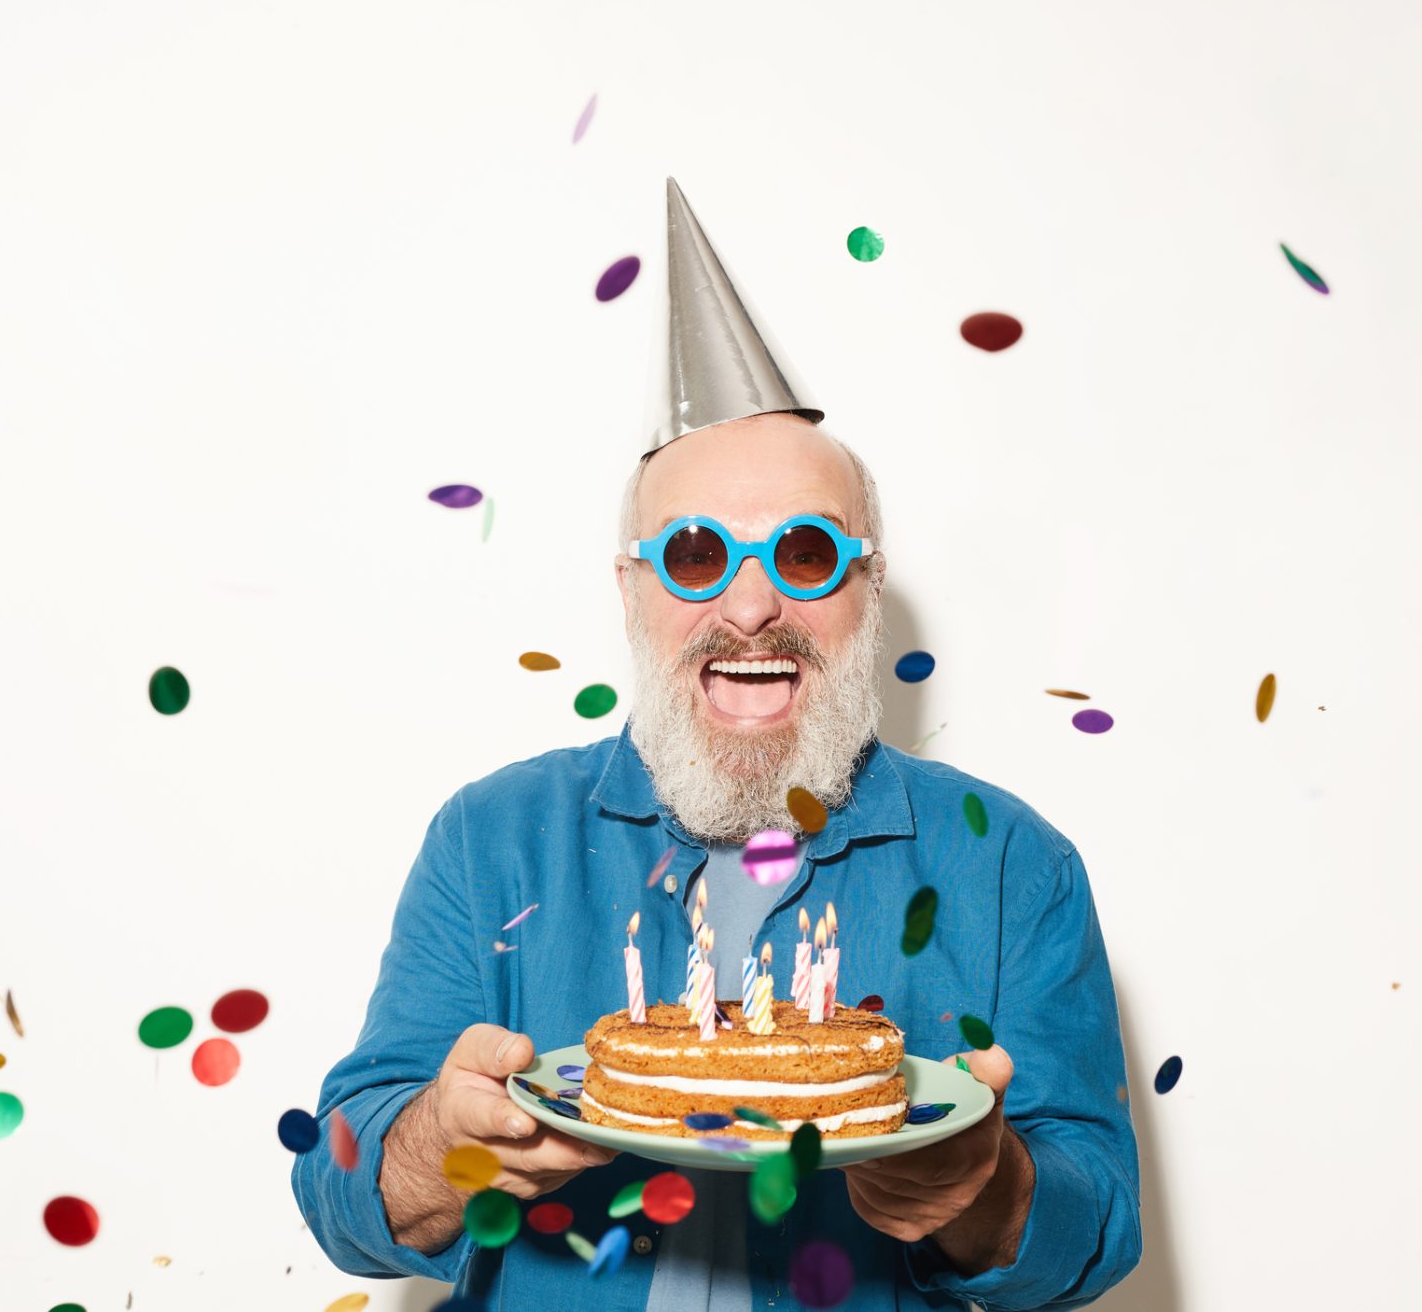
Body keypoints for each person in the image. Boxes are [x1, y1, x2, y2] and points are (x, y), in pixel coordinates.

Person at [292, 178, 1142, 1310]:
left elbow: (1097, 1237)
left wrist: (983, 1187)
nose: (749, 610)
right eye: (695, 556)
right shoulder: (494, 840)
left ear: (869, 591)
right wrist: (443, 1144)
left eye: (804, 554)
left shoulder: (1008, 863)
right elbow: (346, 1199)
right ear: (633, 592)